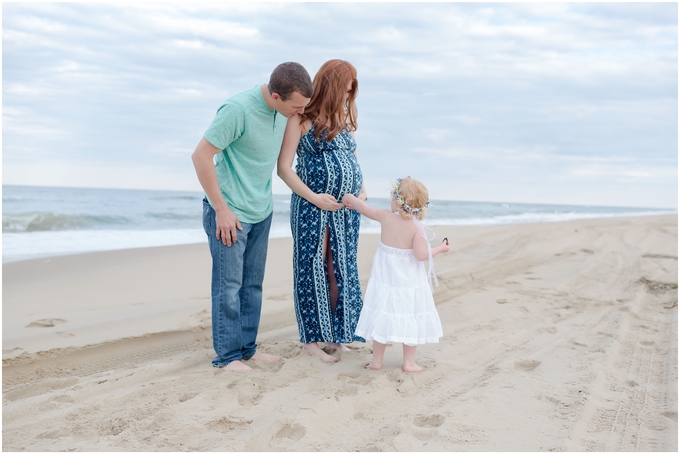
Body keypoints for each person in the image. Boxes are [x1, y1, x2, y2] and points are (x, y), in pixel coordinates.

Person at [191, 62, 313, 372]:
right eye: (296, 107)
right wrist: (221, 209)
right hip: (230, 212)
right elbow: (201, 156)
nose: (299, 113)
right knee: (228, 287)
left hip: (262, 211)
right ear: (276, 96)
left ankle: (247, 349)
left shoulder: (284, 112)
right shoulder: (238, 110)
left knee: (252, 286)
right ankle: (228, 357)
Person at [277, 59, 367, 363]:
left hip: (344, 210)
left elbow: (354, 162)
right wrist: (315, 198)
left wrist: (362, 192)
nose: (346, 97)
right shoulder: (302, 120)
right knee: (312, 267)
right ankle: (312, 339)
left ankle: (336, 334)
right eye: (344, 91)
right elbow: (284, 169)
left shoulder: (343, 121)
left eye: (350, 93)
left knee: (339, 268)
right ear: (330, 86)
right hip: (311, 207)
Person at [342, 177, 450, 372]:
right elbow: (421, 255)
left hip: (384, 278)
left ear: (396, 200)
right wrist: (440, 248)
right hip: (408, 281)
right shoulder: (418, 228)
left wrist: (349, 197)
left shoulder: (385, 216)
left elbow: (363, 208)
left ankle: (376, 362)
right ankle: (409, 363)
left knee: (381, 314)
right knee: (410, 315)